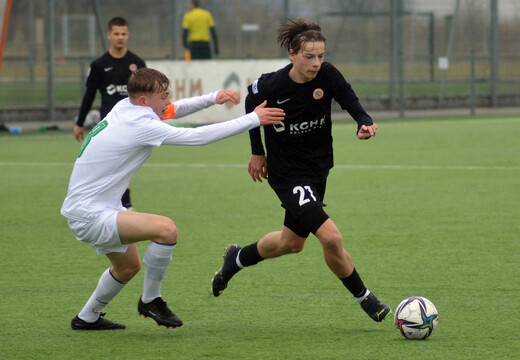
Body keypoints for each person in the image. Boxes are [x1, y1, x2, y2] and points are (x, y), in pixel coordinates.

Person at [62, 68, 285, 330]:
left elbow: (173, 110)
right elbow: (197, 137)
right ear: (144, 100)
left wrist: (213, 97)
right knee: (166, 230)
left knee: (128, 267)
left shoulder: (127, 106)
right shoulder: (141, 124)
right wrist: (253, 119)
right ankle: (151, 300)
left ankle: (87, 318)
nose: (168, 102)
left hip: (92, 207)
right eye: (164, 96)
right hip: (90, 213)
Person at [211, 18, 391, 323]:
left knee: (291, 243)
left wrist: (363, 121)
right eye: (309, 57)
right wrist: (257, 151)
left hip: (318, 168)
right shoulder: (272, 84)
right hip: (286, 172)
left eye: (320, 56)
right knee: (331, 237)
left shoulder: (328, 75)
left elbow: (350, 100)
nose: (316, 63)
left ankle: (236, 259)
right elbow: (252, 103)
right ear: (292, 54)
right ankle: (366, 299)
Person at [74, 17, 146, 210]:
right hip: (110, 126)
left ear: (128, 35)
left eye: (123, 34)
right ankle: (121, 207)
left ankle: (120, 206)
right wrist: (79, 123)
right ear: (109, 35)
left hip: (132, 126)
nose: (120, 37)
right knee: (113, 166)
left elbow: (147, 96)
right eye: (116, 34)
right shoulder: (99, 65)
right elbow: (89, 95)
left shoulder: (137, 63)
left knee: (122, 166)